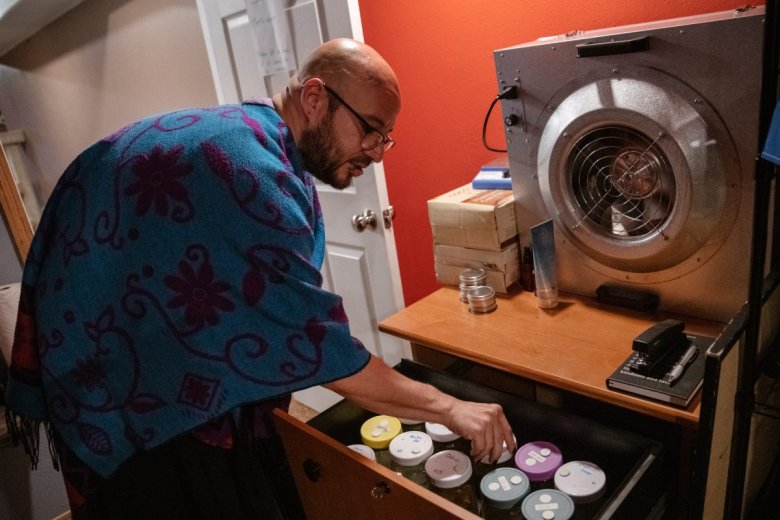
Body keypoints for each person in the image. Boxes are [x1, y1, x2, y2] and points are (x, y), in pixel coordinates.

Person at [4, 38, 515, 519]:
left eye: (386, 137)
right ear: (315, 97)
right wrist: (451, 409)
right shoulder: (250, 172)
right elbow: (314, 345)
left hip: (119, 341)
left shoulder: (251, 137)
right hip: (122, 385)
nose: (378, 151)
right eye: (370, 129)